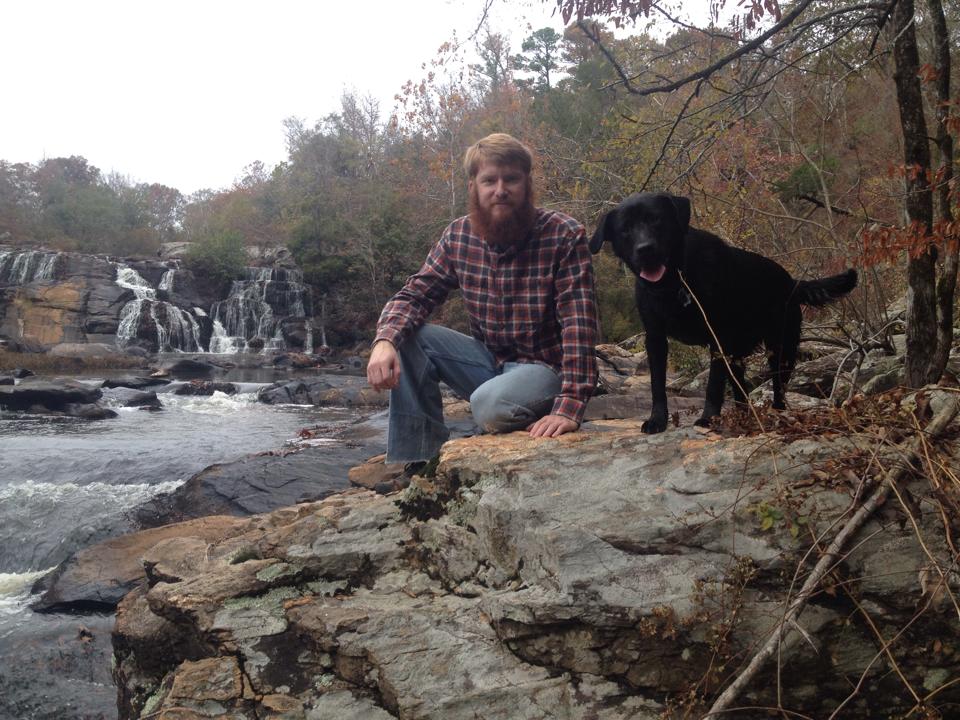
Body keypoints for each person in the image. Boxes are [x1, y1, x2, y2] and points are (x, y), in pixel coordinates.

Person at [366, 133, 598, 465]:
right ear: (474, 185)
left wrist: (570, 406)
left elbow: (580, 325)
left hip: (546, 370)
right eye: (489, 180)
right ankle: (417, 462)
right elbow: (415, 295)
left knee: (488, 405)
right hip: (489, 364)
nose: (500, 190)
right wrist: (384, 340)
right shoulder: (459, 235)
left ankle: (529, 412)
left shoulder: (564, 234)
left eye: (511, 179)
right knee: (409, 336)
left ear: (527, 183)